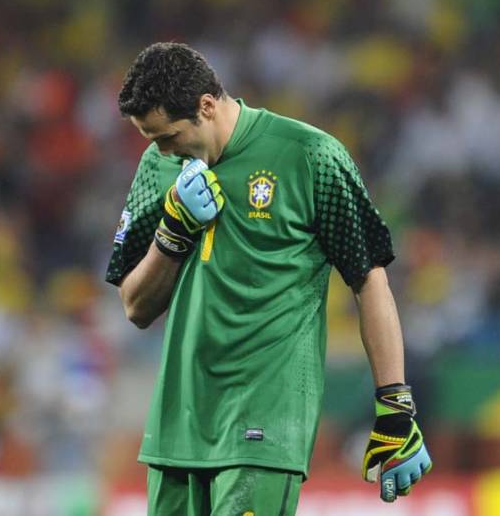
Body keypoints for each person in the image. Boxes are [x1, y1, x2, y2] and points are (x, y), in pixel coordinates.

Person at [106, 42, 432, 515]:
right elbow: (135, 307)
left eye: (168, 136)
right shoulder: (159, 168)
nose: (161, 150)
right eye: (150, 138)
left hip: (263, 424)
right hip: (177, 426)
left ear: (206, 106)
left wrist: (395, 404)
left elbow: (369, 280)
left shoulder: (310, 156)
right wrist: (171, 233)